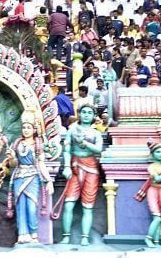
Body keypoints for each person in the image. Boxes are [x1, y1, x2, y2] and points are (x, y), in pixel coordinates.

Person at [57, 104, 103, 246]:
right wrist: (66, 167)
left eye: (90, 112)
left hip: (91, 170)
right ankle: (66, 236)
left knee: (87, 206)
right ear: (79, 114)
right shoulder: (72, 131)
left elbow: (99, 149)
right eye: (84, 112)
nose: (86, 115)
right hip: (75, 167)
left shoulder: (96, 133)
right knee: (68, 204)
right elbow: (67, 150)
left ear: (94, 116)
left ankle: (85, 236)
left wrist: (85, 143)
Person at [7, 112, 54, 243]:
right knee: (20, 207)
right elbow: (13, 164)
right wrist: (11, 157)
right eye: (24, 127)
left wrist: (48, 180)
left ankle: (34, 235)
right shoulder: (17, 144)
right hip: (18, 176)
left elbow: (40, 163)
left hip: (33, 177)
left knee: (31, 207)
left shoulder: (37, 145)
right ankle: (22, 235)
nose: (26, 130)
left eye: (28, 127)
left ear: (34, 129)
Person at [134, 139, 161, 247]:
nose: (160, 154)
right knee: (157, 217)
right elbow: (157, 178)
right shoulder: (152, 167)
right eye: (158, 152)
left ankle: (156, 242)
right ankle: (148, 239)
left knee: (159, 218)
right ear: (152, 154)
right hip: (153, 190)